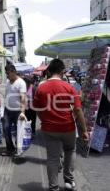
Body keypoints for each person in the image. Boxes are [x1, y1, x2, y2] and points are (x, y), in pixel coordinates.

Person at [33, 59, 89, 191]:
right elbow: (78, 110)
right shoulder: (69, 87)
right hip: (67, 127)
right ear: (62, 71)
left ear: (49, 71)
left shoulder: (41, 87)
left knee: (52, 157)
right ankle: (69, 181)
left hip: (49, 128)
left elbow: (37, 109)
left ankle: (53, 187)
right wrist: (84, 130)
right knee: (70, 151)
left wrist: (44, 120)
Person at [2, 64, 27, 156]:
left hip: (17, 111)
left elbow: (23, 99)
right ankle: (10, 148)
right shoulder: (8, 82)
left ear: (14, 72)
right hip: (7, 110)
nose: (7, 75)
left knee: (18, 131)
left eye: (8, 73)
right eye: (6, 73)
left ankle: (18, 148)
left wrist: (23, 113)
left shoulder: (21, 83)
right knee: (6, 128)